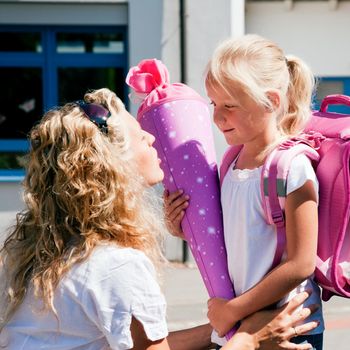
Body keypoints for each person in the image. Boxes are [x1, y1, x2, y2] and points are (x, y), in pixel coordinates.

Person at [0, 87, 318, 350]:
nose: (152, 140)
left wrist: (221, 330)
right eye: (141, 137)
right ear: (113, 165)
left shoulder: (36, 254)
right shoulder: (116, 264)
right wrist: (250, 339)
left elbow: (145, 345)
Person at [165, 34, 324, 350]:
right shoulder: (231, 162)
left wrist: (232, 309)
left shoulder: (292, 167)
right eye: (213, 103)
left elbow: (301, 263)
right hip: (243, 327)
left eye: (230, 105)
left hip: (289, 328)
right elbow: (239, 236)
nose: (217, 116)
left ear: (271, 101)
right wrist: (182, 229)